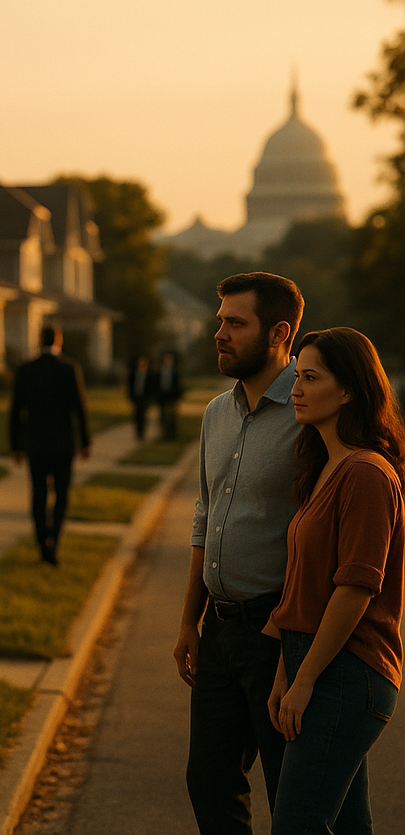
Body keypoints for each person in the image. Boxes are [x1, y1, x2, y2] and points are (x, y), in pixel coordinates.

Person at [173, 272, 305, 834]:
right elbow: (205, 518)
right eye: (219, 320)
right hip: (220, 630)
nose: (219, 332)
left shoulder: (311, 412)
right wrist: (188, 621)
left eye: (235, 322)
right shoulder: (215, 414)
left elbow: (320, 537)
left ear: (279, 332)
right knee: (209, 781)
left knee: (289, 790)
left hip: (280, 630)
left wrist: (288, 639)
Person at [264, 328, 404, 834]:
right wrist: (286, 671)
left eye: (311, 378)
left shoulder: (367, 473)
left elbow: (355, 590)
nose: (296, 389)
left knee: (296, 825)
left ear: (349, 390)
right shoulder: (326, 467)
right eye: (296, 376)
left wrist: (304, 681)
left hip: (348, 672)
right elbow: (303, 587)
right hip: (315, 664)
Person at [9, 325, 91, 565]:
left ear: (38, 340)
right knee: (62, 495)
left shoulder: (26, 370)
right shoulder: (69, 369)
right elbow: (79, 409)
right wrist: (85, 442)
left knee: (38, 494)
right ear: (59, 341)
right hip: (63, 444)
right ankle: (53, 539)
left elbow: (16, 411)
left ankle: (41, 542)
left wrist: (15, 445)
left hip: (35, 444)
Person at [126, 353, 156, 440]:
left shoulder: (149, 374)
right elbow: (130, 385)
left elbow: (151, 387)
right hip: (136, 397)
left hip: (144, 398)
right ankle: (138, 432)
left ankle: (142, 433)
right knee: (136, 416)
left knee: (143, 416)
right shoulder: (134, 373)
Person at [156, 350, 184, 441]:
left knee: (172, 417)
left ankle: (172, 436)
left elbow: (179, 386)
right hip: (163, 397)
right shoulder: (160, 371)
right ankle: (164, 434)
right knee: (163, 416)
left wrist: (177, 398)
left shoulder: (175, 372)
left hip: (172, 397)